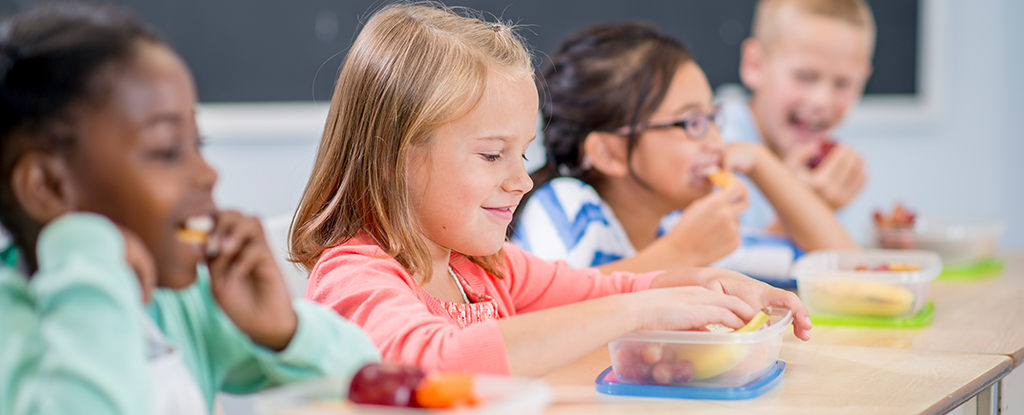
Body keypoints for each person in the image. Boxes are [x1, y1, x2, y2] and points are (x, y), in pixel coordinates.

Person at [291, 3, 811, 377]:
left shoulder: (484, 268)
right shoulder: (354, 274)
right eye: (492, 154)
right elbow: (438, 363)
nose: (521, 180)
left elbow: (608, 289)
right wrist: (640, 313)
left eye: (521, 153)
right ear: (393, 161)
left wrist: (709, 281)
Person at [0, 5, 379, 415]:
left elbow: (365, 377)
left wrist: (282, 330)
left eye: (199, 146)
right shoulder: (13, 326)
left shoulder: (179, 304)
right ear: (48, 187)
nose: (208, 174)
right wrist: (86, 253)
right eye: (166, 151)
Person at [510, 22, 855, 279]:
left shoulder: (673, 226)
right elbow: (555, 310)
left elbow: (840, 267)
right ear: (609, 153)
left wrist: (763, 164)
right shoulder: (566, 204)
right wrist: (681, 254)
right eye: (691, 123)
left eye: (712, 117)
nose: (717, 143)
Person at [720, 0, 874, 231]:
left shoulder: (823, 167)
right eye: (804, 76)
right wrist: (803, 208)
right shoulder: (719, 144)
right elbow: (727, 262)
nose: (822, 101)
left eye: (843, 83)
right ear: (755, 64)